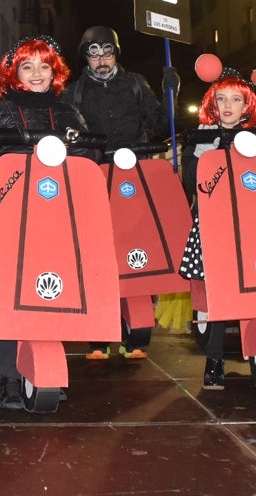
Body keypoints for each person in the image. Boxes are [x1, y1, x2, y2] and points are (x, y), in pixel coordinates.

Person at [0, 35, 98, 409]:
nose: (37, 73)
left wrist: (83, 144)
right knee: (9, 293)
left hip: (56, 216)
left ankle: (43, 360)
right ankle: (9, 376)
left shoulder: (68, 112)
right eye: (28, 66)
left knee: (51, 286)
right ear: (15, 72)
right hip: (10, 213)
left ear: (54, 72)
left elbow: (89, 157)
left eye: (44, 65)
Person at [179, 69, 256, 392]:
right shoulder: (201, 138)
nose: (228, 106)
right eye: (221, 99)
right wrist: (210, 148)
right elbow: (191, 183)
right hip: (215, 225)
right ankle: (214, 361)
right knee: (219, 295)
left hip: (255, 225)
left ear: (247, 104)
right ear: (212, 104)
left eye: (235, 99)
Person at [67, 25, 173, 359]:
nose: (101, 59)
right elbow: (69, 133)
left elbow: (160, 124)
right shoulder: (75, 91)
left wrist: (172, 95)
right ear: (86, 57)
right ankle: (98, 334)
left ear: (115, 53)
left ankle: (137, 332)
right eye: (93, 53)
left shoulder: (135, 84)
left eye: (106, 52)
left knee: (136, 247)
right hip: (95, 176)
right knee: (98, 253)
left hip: (134, 175)